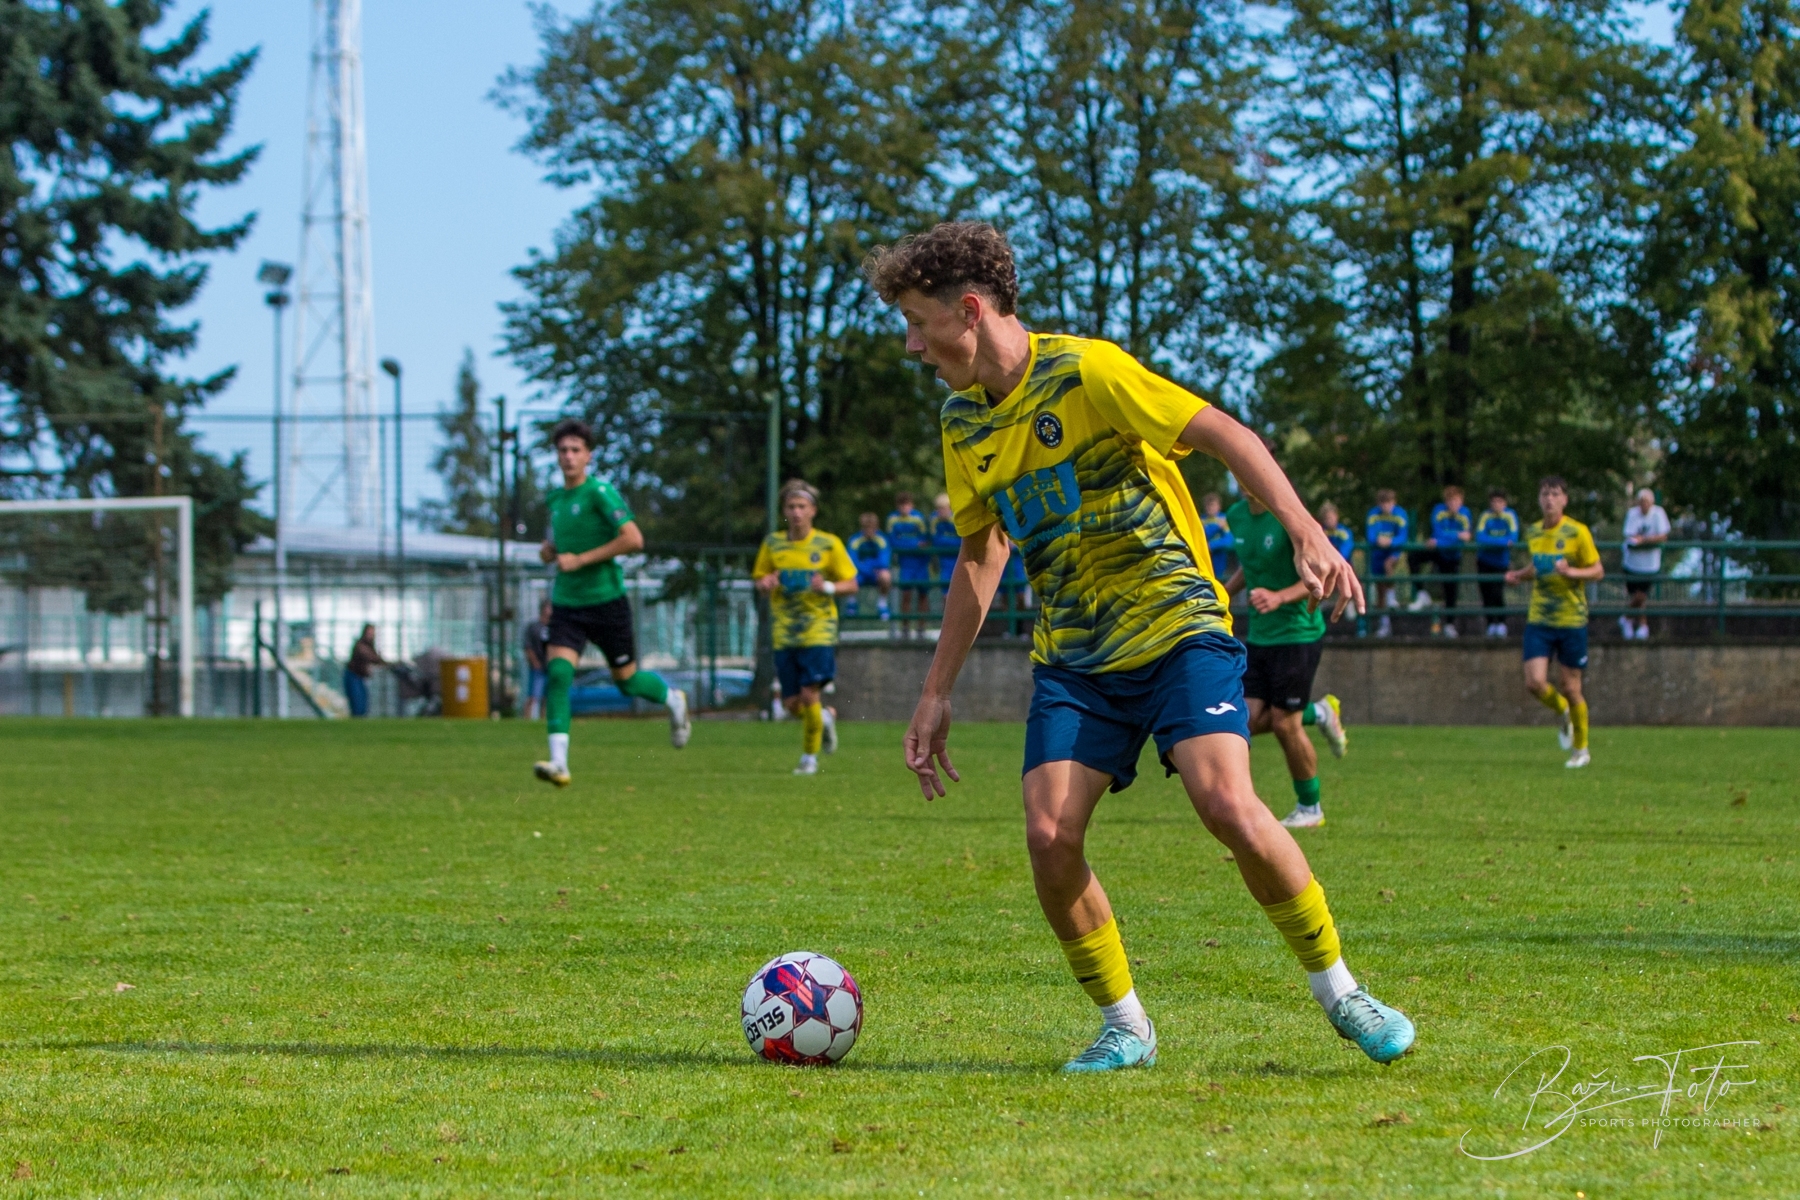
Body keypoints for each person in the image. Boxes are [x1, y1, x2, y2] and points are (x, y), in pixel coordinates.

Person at [867, 220, 1413, 1074]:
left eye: (915, 321)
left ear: (968, 311)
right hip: (1076, 661)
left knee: (1226, 804)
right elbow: (981, 554)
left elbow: (1227, 434)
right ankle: (1126, 1025)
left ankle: (1342, 993)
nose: (911, 345)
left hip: (1178, 630)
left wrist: (1306, 530)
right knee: (1049, 836)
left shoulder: (1088, 371)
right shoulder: (962, 422)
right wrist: (937, 691)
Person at [534, 419, 690, 788]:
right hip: (567, 604)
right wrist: (549, 552)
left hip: (606, 603)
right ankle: (559, 764)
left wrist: (581, 559)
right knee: (559, 675)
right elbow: (556, 545)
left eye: (575, 450)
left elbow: (633, 539)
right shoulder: (555, 500)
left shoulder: (601, 493)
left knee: (628, 683)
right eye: (563, 450)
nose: (569, 456)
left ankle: (673, 700)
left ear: (588, 455)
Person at [1223, 491, 1350, 831]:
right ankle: (1319, 712)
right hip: (1260, 635)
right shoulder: (1236, 515)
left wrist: (1279, 597)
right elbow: (1252, 565)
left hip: (1298, 634)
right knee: (1245, 721)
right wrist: (1224, 592)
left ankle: (1310, 807)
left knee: (1284, 724)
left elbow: (1319, 577)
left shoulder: (1289, 517)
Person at [754, 479, 860, 775]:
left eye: (802, 506)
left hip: (818, 630)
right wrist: (765, 583)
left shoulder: (828, 544)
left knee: (809, 694)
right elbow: (760, 579)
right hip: (784, 633)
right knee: (792, 703)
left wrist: (827, 586)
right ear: (784, 511)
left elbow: (852, 583)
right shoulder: (773, 544)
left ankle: (809, 758)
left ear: (813, 510)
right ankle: (823, 718)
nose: (796, 512)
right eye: (791, 506)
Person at [1505, 476, 1603, 770]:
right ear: (1539, 499)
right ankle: (1563, 711)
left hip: (1571, 619)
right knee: (1534, 682)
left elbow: (1597, 571)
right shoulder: (1534, 532)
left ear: (1564, 499)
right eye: (1545, 494)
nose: (1549, 499)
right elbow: (1539, 566)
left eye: (1555, 494)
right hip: (1540, 618)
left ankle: (1581, 750)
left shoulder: (1578, 532)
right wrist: (1519, 575)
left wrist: (1572, 572)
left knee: (1571, 687)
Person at [1414, 485, 1473, 636]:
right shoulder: (1439, 511)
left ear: (1461, 501)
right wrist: (1457, 536)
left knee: (1451, 590)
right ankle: (1421, 593)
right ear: (1446, 502)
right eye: (1450, 501)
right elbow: (1438, 532)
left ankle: (1450, 624)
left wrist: (1442, 541)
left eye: (1456, 501)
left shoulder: (1465, 513)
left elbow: (1465, 537)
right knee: (1413, 557)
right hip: (1439, 552)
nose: (1453, 504)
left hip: (1453, 556)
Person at [1621, 488, 1669, 640]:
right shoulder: (1632, 514)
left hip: (1650, 565)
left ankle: (1626, 618)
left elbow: (1663, 536)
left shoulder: (1658, 514)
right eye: (1642, 502)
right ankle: (1642, 626)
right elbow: (1629, 535)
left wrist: (1644, 540)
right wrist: (1643, 540)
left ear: (1652, 502)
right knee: (1638, 597)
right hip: (1632, 563)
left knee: (1641, 596)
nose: (1644, 505)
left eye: (1647, 502)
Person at [886, 491, 932, 636]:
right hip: (905, 563)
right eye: (902, 505)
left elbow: (926, 541)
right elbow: (893, 542)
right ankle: (905, 628)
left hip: (921, 563)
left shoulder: (918, 518)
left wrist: (911, 544)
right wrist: (914, 544)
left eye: (907, 504)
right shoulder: (892, 519)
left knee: (923, 595)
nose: (904, 508)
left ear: (911, 505)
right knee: (906, 595)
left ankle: (921, 628)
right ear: (897, 506)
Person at [1475, 490, 1520, 637]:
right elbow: (1480, 538)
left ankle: (1501, 623)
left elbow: (1513, 538)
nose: (1496, 505)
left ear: (1504, 503)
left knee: (1497, 592)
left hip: (1501, 562)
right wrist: (1501, 542)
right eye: (1494, 502)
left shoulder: (1510, 516)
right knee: (1486, 593)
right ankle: (1490, 624)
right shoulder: (1485, 516)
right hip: (1484, 560)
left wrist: (1492, 542)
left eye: (1499, 502)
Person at [1365, 490, 1409, 637]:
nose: (1386, 507)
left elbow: (1403, 536)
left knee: (1388, 565)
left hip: (1393, 551)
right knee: (1380, 591)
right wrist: (1377, 540)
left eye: (1389, 503)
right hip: (1377, 553)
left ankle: (1392, 597)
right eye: (1383, 503)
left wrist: (1391, 542)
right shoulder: (1373, 514)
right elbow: (1370, 534)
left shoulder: (1400, 514)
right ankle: (1384, 624)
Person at [845, 512, 892, 621]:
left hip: (876, 572)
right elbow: (852, 560)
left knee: (886, 576)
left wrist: (876, 568)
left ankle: (882, 604)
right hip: (860, 572)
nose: (869, 530)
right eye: (867, 528)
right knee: (847, 574)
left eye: (872, 527)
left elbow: (884, 560)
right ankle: (851, 602)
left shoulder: (882, 539)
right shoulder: (855, 539)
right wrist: (867, 569)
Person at [344, 624, 385, 718]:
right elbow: (371, 657)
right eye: (369, 633)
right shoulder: (360, 645)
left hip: (361, 678)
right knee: (358, 706)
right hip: (353, 676)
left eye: (372, 633)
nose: (371, 635)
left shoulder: (370, 646)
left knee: (363, 706)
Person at [521, 600, 551, 719]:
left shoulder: (553, 627)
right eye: (549, 608)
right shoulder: (533, 627)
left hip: (549, 667)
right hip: (538, 668)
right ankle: (526, 718)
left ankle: (544, 720)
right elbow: (528, 646)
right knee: (533, 696)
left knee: (546, 697)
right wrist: (534, 662)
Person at [1201, 492, 1234, 575]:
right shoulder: (1201, 520)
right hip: (1204, 557)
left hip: (1220, 557)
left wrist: (1211, 545)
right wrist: (1217, 527)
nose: (1210, 508)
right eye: (1208, 506)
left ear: (1219, 506)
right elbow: (1202, 535)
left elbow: (1229, 540)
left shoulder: (1223, 519)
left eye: (1213, 505)